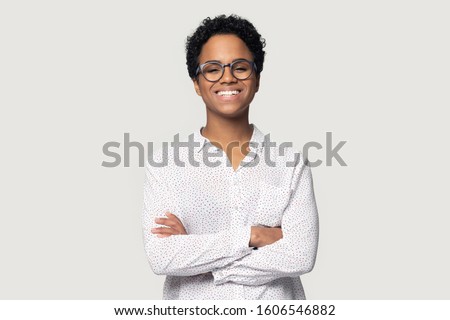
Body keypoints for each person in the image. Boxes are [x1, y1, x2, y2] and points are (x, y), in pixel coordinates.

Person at [142, 14, 319, 300]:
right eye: (212, 69)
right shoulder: (166, 164)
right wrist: (253, 236)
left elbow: (300, 256)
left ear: (257, 79)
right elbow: (162, 257)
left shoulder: (290, 163)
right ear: (197, 83)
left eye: (240, 67)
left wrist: (203, 260)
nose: (228, 77)